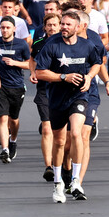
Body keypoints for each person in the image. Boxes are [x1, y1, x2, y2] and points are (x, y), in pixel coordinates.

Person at [35, 10, 102, 202]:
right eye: (62, 24)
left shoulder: (87, 45)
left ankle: (76, 181)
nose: (63, 27)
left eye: (67, 25)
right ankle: (58, 183)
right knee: (59, 142)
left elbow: (97, 63)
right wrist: (63, 77)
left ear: (77, 27)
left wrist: (89, 77)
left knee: (76, 134)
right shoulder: (52, 45)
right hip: (57, 98)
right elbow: (40, 72)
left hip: (79, 95)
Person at [0, 17, 32, 163]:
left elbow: (30, 65)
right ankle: (5, 150)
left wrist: (14, 62)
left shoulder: (22, 44)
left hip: (17, 86)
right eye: (2, 27)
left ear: (14, 29)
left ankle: (13, 140)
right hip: (0, 86)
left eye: (8, 27)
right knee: (2, 118)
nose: (5, 30)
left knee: (13, 120)